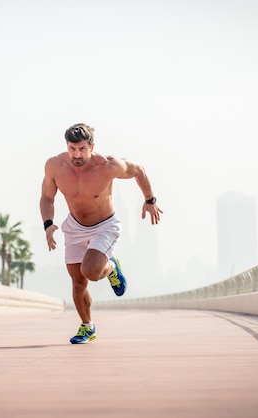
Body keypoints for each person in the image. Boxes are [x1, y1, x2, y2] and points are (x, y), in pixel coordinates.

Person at [40, 123, 163, 344]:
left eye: (81, 149)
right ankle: (87, 327)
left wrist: (150, 200)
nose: (76, 155)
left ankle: (112, 267)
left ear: (91, 147)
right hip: (75, 226)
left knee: (91, 271)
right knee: (78, 282)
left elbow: (139, 170)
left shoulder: (107, 166)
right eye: (72, 149)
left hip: (104, 226)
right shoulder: (55, 166)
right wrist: (48, 224)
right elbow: (47, 197)